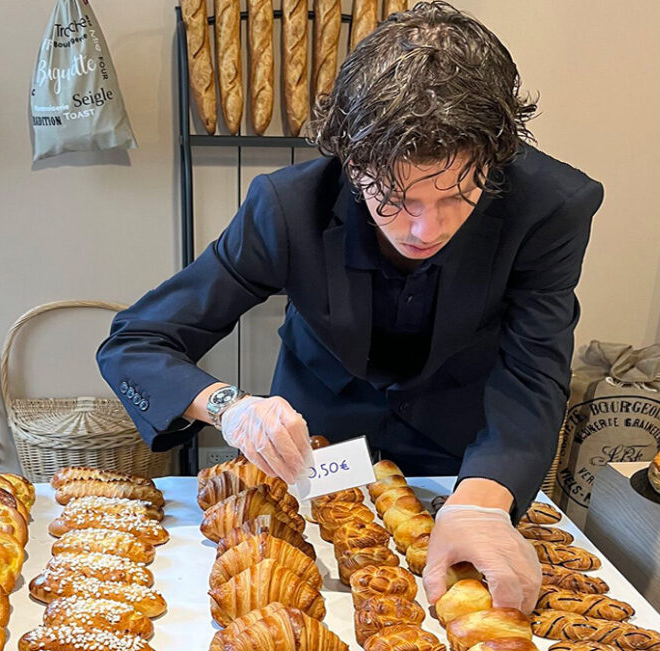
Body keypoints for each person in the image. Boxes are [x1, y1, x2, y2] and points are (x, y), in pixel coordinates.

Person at [97, 1, 603, 615]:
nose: (425, 227)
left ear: (494, 161)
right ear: (352, 159)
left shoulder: (551, 206)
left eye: (458, 195)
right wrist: (232, 408)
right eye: (396, 197)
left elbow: (533, 366)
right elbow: (137, 341)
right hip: (312, 459)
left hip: (460, 463)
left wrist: (481, 501)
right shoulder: (287, 207)